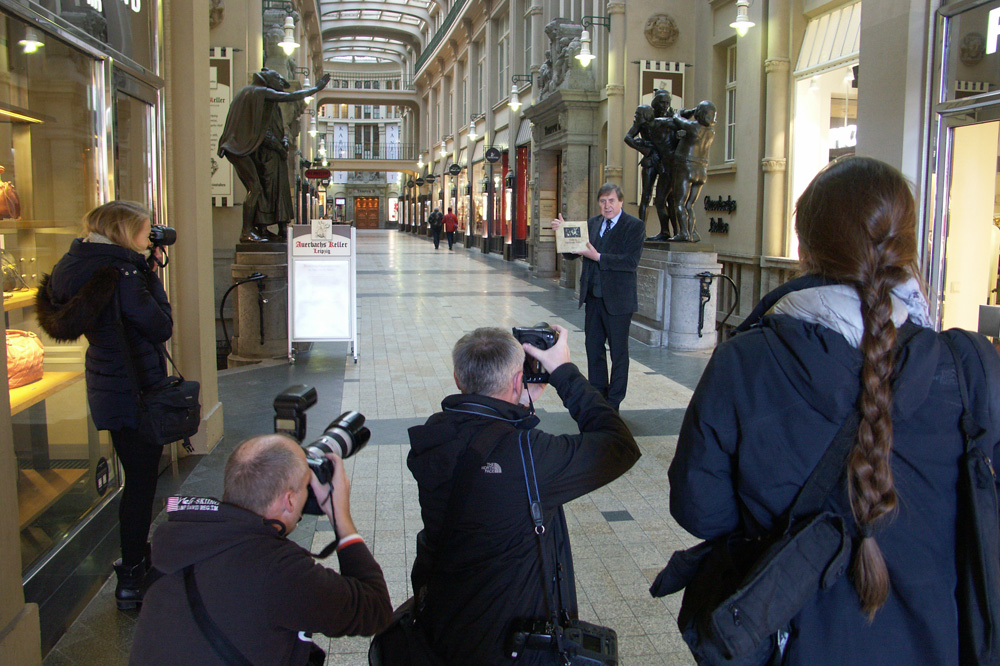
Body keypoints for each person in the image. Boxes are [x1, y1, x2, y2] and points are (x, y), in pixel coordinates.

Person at [667, 156, 1000, 666]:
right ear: (908, 246)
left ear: (805, 250)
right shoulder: (968, 366)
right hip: (939, 641)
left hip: (798, 638)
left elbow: (700, 509)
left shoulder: (745, 362)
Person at [407, 326, 640, 665]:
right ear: (518, 382)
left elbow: (486, 442)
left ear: (458, 378)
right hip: (510, 644)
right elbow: (619, 446)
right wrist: (564, 372)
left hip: (447, 626)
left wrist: (517, 404)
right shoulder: (530, 454)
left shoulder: (435, 434)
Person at [128, 434, 392, 666]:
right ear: (289, 500)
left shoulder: (176, 539)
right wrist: (340, 515)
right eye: (305, 487)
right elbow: (376, 608)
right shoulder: (278, 571)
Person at [36, 200, 173, 610]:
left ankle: (135, 561)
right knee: (141, 483)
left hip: (107, 383)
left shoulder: (74, 265)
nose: (149, 236)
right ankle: (132, 575)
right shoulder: (125, 274)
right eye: (145, 230)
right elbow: (160, 325)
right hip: (135, 388)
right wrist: (151, 275)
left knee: (136, 475)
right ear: (124, 232)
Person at [553, 183, 645, 410]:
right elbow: (573, 253)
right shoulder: (592, 224)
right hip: (593, 298)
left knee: (618, 353)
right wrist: (562, 233)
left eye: (611, 200)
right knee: (593, 350)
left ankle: (614, 402)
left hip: (619, 302)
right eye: (603, 201)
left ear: (620, 201)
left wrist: (598, 257)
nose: (607, 206)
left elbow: (631, 262)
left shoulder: (634, 226)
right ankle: (598, 397)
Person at [218, 69, 331, 242]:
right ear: (268, 80)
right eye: (278, 80)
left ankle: (256, 230)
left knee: (257, 188)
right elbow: (289, 96)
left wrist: (282, 141)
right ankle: (246, 231)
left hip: (239, 147)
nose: (280, 84)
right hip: (238, 148)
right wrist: (316, 88)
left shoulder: (250, 94)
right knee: (255, 188)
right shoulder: (258, 91)